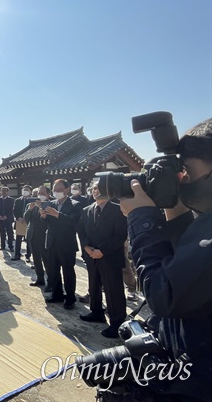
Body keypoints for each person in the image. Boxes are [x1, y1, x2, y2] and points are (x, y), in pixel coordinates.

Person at [107, 118, 212, 401]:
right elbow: (186, 268)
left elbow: (163, 295)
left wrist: (142, 219)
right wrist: (175, 211)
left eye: (187, 171)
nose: (183, 181)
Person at [77, 182, 128, 338]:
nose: (96, 191)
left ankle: (117, 322)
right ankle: (96, 312)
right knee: (94, 286)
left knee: (113, 290)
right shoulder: (86, 210)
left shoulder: (118, 209)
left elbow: (120, 235)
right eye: (93, 189)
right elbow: (81, 230)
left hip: (110, 257)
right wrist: (86, 247)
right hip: (91, 256)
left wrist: (102, 250)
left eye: (99, 189)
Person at [41, 179, 82, 310]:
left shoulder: (75, 204)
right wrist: (43, 216)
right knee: (53, 270)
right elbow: (47, 223)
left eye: (59, 189)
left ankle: (70, 298)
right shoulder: (50, 203)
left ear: (67, 190)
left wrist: (58, 214)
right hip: (52, 241)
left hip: (66, 243)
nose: (56, 192)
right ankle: (57, 294)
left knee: (68, 271)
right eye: (54, 189)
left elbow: (74, 222)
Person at [24, 185, 51, 287]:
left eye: (43, 193)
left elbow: (47, 221)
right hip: (32, 235)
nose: (40, 195)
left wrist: (40, 207)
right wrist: (30, 209)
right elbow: (26, 219)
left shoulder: (50, 204)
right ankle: (40, 278)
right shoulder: (31, 204)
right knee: (36, 259)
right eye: (39, 193)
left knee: (47, 260)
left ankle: (50, 281)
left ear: (48, 194)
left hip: (44, 236)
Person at [12, 185, 33, 261]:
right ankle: (17, 254)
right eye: (24, 189)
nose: (25, 191)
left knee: (28, 240)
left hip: (29, 222)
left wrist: (27, 218)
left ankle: (28, 256)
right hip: (20, 222)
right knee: (18, 239)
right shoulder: (18, 200)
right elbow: (15, 210)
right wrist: (18, 218)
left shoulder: (32, 200)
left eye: (27, 190)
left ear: (30, 191)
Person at [0, 186, 15, 252]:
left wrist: (6, 216)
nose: (3, 192)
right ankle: (2, 246)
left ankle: (10, 246)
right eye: (2, 191)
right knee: (2, 233)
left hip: (8, 218)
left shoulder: (11, 199)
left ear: (7, 192)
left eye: (5, 191)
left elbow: (11, 210)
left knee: (9, 233)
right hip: (0, 218)